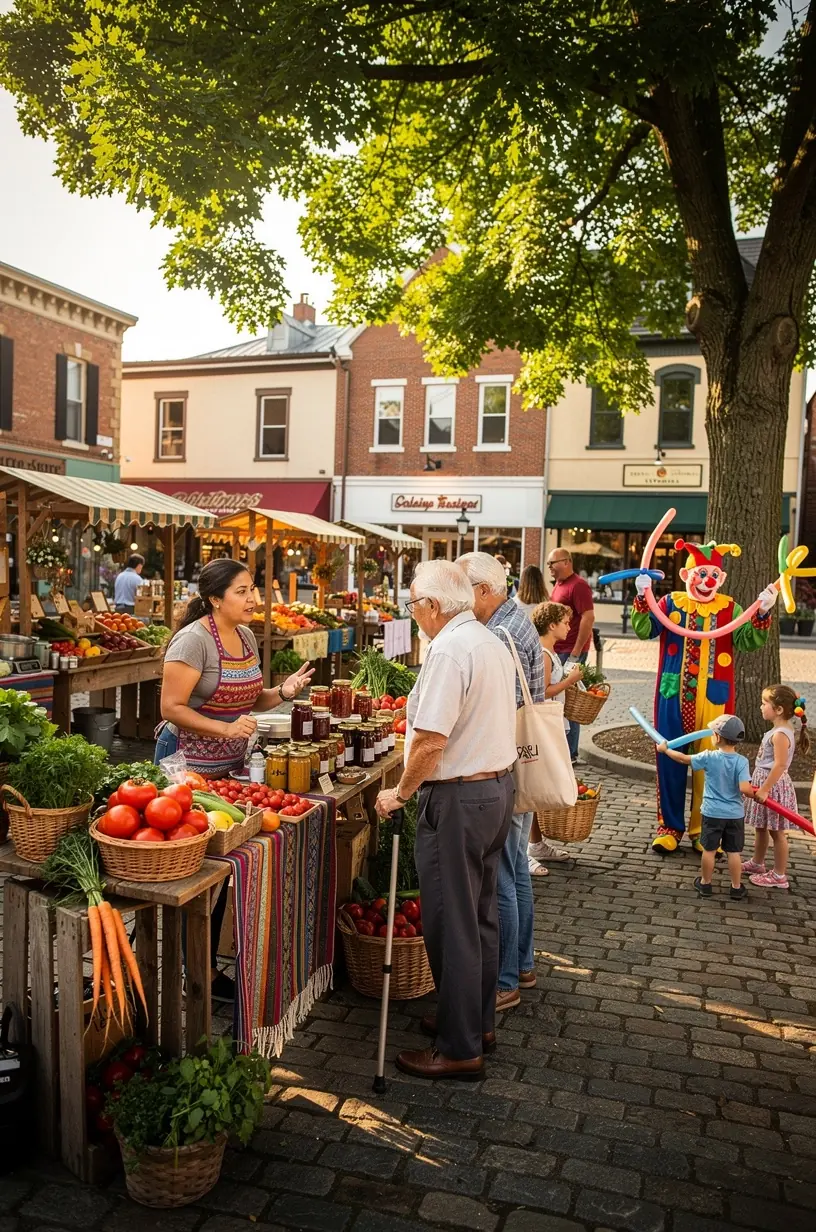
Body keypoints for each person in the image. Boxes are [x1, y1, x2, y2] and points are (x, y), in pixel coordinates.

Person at [375, 560, 516, 1080]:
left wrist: (400, 793)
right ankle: (474, 1023)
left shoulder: (450, 650)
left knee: (451, 923)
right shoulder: (486, 639)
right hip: (494, 788)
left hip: (460, 797)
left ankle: (459, 1048)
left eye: (413, 606)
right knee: (479, 917)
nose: (413, 616)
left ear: (433, 606)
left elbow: (432, 740)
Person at [156, 558, 314, 999]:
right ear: (215, 599)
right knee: (191, 874)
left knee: (221, 870)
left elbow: (251, 698)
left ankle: (203, 971)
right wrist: (226, 728)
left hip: (227, 772)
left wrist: (282, 693)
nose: (254, 599)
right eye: (242, 591)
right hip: (183, 767)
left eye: (253, 590)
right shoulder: (192, 642)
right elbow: (171, 707)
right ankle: (192, 975)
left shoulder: (244, 636)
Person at [457, 551, 544, 1013]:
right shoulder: (517, 618)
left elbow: (498, 708)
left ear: (485, 591)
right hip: (519, 764)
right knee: (516, 870)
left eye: (463, 588)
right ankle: (524, 964)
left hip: (503, 764)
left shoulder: (500, 632)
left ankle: (505, 979)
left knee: (504, 878)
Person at [658, 715, 752, 899]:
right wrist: (754, 793)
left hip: (712, 813)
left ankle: (706, 883)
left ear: (717, 737)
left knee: (709, 850)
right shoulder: (742, 762)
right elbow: (744, 789)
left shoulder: (709, 757)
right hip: (734, 815)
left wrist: (665, 750)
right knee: (734, 852)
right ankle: (736, 887)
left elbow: (684, 759)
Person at [525, 601, 583, 874]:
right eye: (565, 622)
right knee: (536, 785)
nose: (569, 626)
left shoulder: (548, 651)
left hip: (553, 724)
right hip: (546, 727)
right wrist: (571, 681)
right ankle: (528, 846)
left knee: (538, 786)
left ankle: (536, 843)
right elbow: (543, 691)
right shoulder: (545, 654)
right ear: (551, 625)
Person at [743, 686, 809, 890]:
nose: (761, 707)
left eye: (765, 703)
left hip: (773, 786)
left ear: (779, 709)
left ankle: (779, 875)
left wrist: (764, 789)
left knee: (777, 832)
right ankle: (757, 863)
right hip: (765, 782)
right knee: (761, 827)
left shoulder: (781, 734)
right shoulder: (778, 730)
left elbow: (780, 765)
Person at [547, 548, 595, 762]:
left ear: (566, 562)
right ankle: (562, 749)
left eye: (552, 563)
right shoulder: (559, 584)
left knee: (570, 702)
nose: (549, 568)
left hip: (571, 651)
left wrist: (576, 652)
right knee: (560, 700)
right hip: (558, 649)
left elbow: (588, 617)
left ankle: (571, 753)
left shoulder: (579, 585)